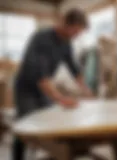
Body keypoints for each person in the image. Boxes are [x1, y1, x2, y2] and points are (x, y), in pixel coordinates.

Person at [13, 9, 93, 160]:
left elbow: (74, 68)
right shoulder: (42, 39)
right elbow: (41, 78)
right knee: (24, 127)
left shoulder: (66, 42)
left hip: (44, 86)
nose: (77, 35)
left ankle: (54, 154)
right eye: (76, 31)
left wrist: (86, 89)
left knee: (50, 120)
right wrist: (61, 99)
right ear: (66, 24)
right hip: (27, 88)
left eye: (79, 32)